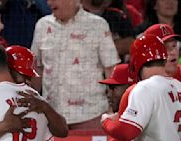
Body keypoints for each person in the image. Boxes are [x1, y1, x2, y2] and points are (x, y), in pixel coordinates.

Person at [31, 0, 120, 130]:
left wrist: (114, 108)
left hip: (91, 115)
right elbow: (37, 69)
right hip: (51, 118)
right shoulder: (42, 26)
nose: (49, 3)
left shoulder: (98, 25)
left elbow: (111, 69)